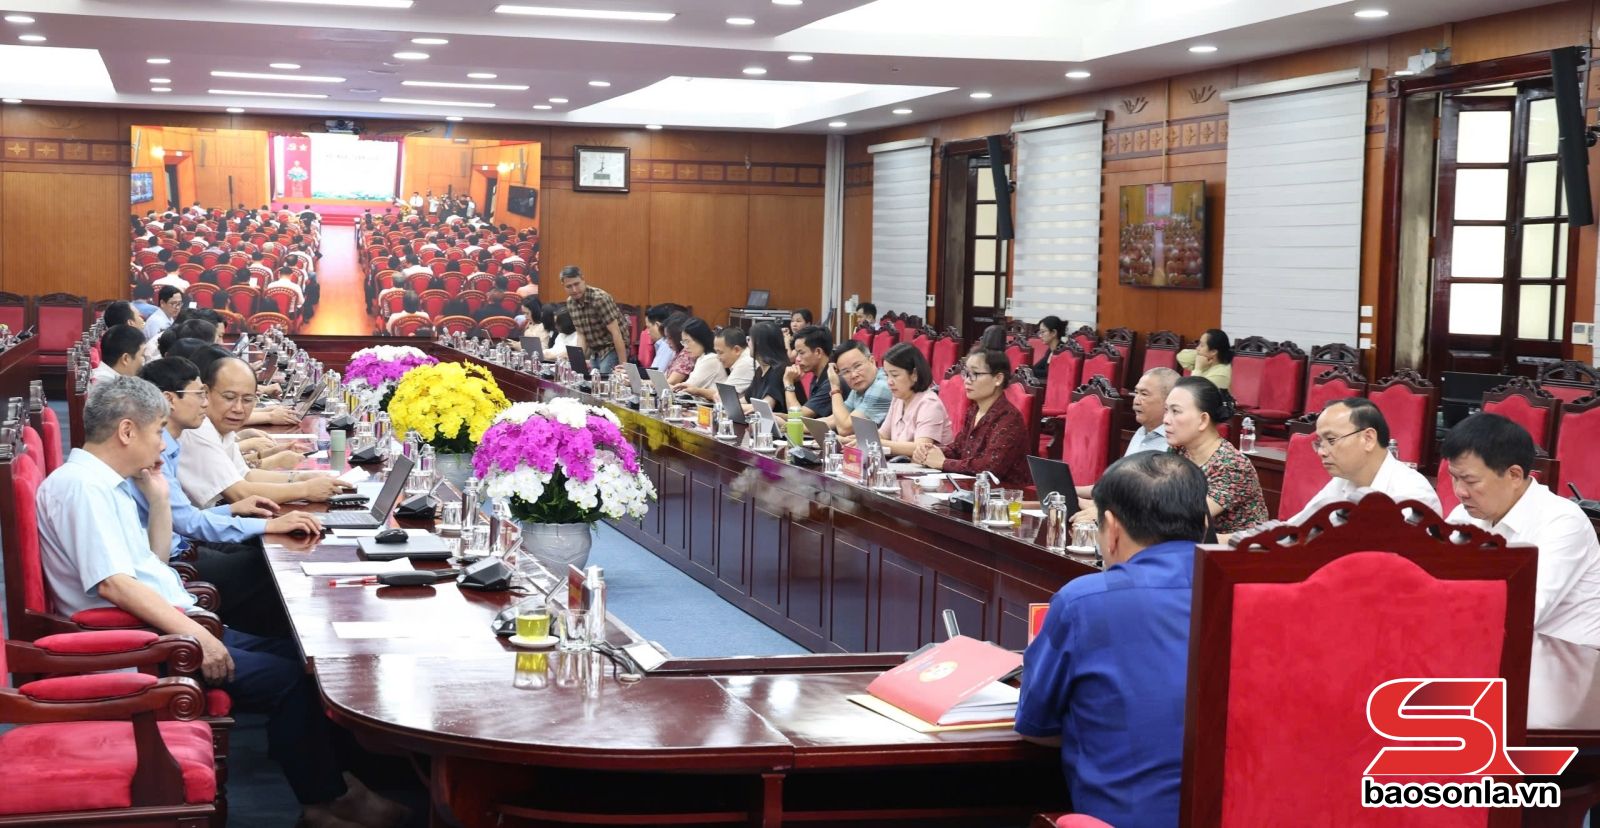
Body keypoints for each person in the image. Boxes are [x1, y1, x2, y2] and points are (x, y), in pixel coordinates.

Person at [35, 377, 408, 827]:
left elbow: (152, 565)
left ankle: (342, 785)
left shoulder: (104, 482)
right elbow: (116, 586)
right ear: (127, 431)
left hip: (170, 623)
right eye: (158, 431)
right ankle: (323, 801)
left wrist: (159, 500)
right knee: (291, 680)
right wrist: (200, 637)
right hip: (140, 645)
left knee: (307, 658)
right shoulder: (84, 489)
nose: (163, 444)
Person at [1017, 451, 1208, 828]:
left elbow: (1036, 726)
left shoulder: (1083, 600)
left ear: (1111, 527)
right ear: (1204, 525)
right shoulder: (1251, 594)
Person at [136, 357, 321, 638]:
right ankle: (284, 652)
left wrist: (234, 509)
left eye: (248, 399)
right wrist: (271, 520)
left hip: (182, 545)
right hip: (177, 560)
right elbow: (189, 523)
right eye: (200, 395)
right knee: (270, 570)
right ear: (169, 400)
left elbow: (188, 517)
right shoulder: (160, 448)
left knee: (263, 553)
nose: (204, 404)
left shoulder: (171, 442)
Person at [1443, 413, 1600, 647]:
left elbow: (1523, 613)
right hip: (1494, 642)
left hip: (1567, 655)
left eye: (1470, 481)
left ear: (1514, 475)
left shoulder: (1563, 522)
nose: (1460, 492)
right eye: (1454, 478)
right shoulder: (1464, 514)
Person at [178, 355, 354, 508]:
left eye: (247, 399)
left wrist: (301, 478)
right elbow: (239, 493)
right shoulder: (198, 429)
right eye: (229, 397)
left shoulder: (221, 425)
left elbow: (246, 476)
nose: (238, 408)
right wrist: (305, 490)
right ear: (206, 393)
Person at [1288, 398, 1440, 523]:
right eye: (1319, 442)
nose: (1321, 452)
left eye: (1331, 439)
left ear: (1368, 439)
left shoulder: (1413, 495)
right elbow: (1296, 528)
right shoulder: (1342, 481)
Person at [1164, 376, 1267, 539]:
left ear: (1203, 420)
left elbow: (1187, 521)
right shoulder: (1178, 450)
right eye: (1166, 410)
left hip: (1234, 550)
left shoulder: (1232, 465)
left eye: (1175, 411)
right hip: (1191, 544)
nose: (1166, 420)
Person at [913, 349, 1029, 485]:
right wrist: (929, 452)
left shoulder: (1009, 418)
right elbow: (958, 449)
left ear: (998, 379)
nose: (967, 381)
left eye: (975, 374)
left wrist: (943, 462)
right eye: (966, 374)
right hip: (971, 488)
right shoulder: (974, 410)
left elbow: (989, 468)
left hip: (1006, 494)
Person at [876, 342, 951, 458]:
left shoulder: (930, 404)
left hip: (927, 468)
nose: (889, 382)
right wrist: (859, 439)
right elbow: (883, 434)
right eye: (887, 375)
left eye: (895, 375)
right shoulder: (898, 398)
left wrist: (878, 443)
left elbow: (921, 448)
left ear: (914, 374)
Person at [559, 265, 628, 373]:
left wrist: (624, 366)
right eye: (569, 286)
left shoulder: (599, 299)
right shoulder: (570, 303)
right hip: (594, 351)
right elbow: (581, 335)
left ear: (583, 279)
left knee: (605, 379)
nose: (574, 290)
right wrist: (577, 360)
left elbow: (617, 333)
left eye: (576, 284)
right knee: (584, 377)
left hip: (611, 347)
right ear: (563, 285)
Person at [825, 340, 892, 436]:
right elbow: (834, 420)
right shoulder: (861, 386)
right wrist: (801, 424)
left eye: (857, 366)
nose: (854, 375)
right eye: (846, 371)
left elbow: (845, 429)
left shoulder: (882, 386)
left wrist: (835, 387)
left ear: (872, 361)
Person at [680, 326, 753, 400]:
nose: (718, 357)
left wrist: (697, 391)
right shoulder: (743, 360)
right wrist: (696, 390)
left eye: (720, 353)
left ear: (736, 350)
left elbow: (722, 397)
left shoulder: (746, 363)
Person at [1125, 368, 1179, 458]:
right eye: (1136, 393)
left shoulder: (1177, 444)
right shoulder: (1141, 431)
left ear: (1168, 400)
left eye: (1144, 394)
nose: (1136, 401)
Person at [783, 324, 834, 419]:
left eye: (801, 353)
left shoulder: (832, 380)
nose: (797, 359)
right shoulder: (816, 377)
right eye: (797, 353)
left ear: (818, 352)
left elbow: (797, 417)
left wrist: (788, 382)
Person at [741, 321, 790, 414]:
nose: (747, 344)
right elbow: (746, 400)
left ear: (759, 343)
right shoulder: (760, 370)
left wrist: (733, 405)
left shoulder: (780, 370)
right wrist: (728, 403)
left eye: (749, 339)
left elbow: (765, 406)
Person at [673, 317, 726, 391]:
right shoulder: (701, 357)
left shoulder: (711, 359)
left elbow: (685, 388)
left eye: (687, 341)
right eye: (683, 342)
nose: (685, 347)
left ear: (700, 338)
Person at [644, 304, 679, 372]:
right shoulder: (664, 342)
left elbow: (655, 374)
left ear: (658, 325)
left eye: (648, 327)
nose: (648, 332)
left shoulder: (667, 344)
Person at [663, 312, 695, 384]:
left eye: (670, 338)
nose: (667, 342)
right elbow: (665, 378)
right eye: (666, 338)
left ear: (678, 337)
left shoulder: (687, 353)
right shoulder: (678, 352)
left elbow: (671, 382)